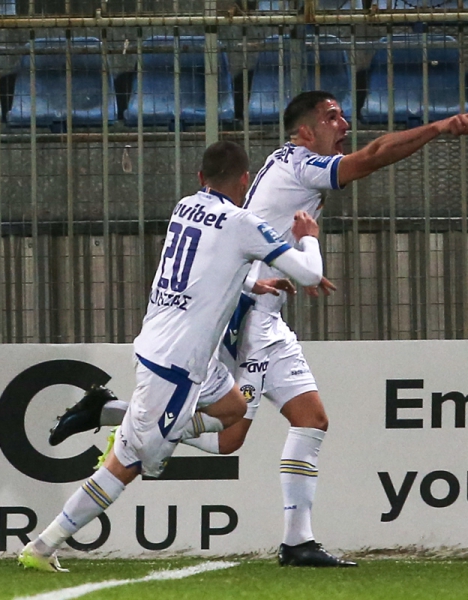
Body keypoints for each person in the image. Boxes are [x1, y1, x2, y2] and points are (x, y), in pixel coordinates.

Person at [48, 92, 468, 568]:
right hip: (250, 320)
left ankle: (298, 541)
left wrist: (273, 273)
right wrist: (439, 128)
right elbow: (374, 156)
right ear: (304, 131)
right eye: (330, 117)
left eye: (341, 115)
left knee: (311, 418)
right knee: (227, 437)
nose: (343, 124)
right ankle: (120, 419)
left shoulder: (286, 166)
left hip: (265, 309)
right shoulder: (302, 164)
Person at [19, 140, 325, 573]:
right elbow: (310, 273)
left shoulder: (185, 207)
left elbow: (200, 273)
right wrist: (307, 238)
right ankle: (44, 546)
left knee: (233, 409)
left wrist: (252, 286)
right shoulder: (243, 222)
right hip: (177, 366)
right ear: (245, 180)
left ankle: (115, 415)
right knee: (129, 463)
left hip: (165, 345)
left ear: (201, 179)